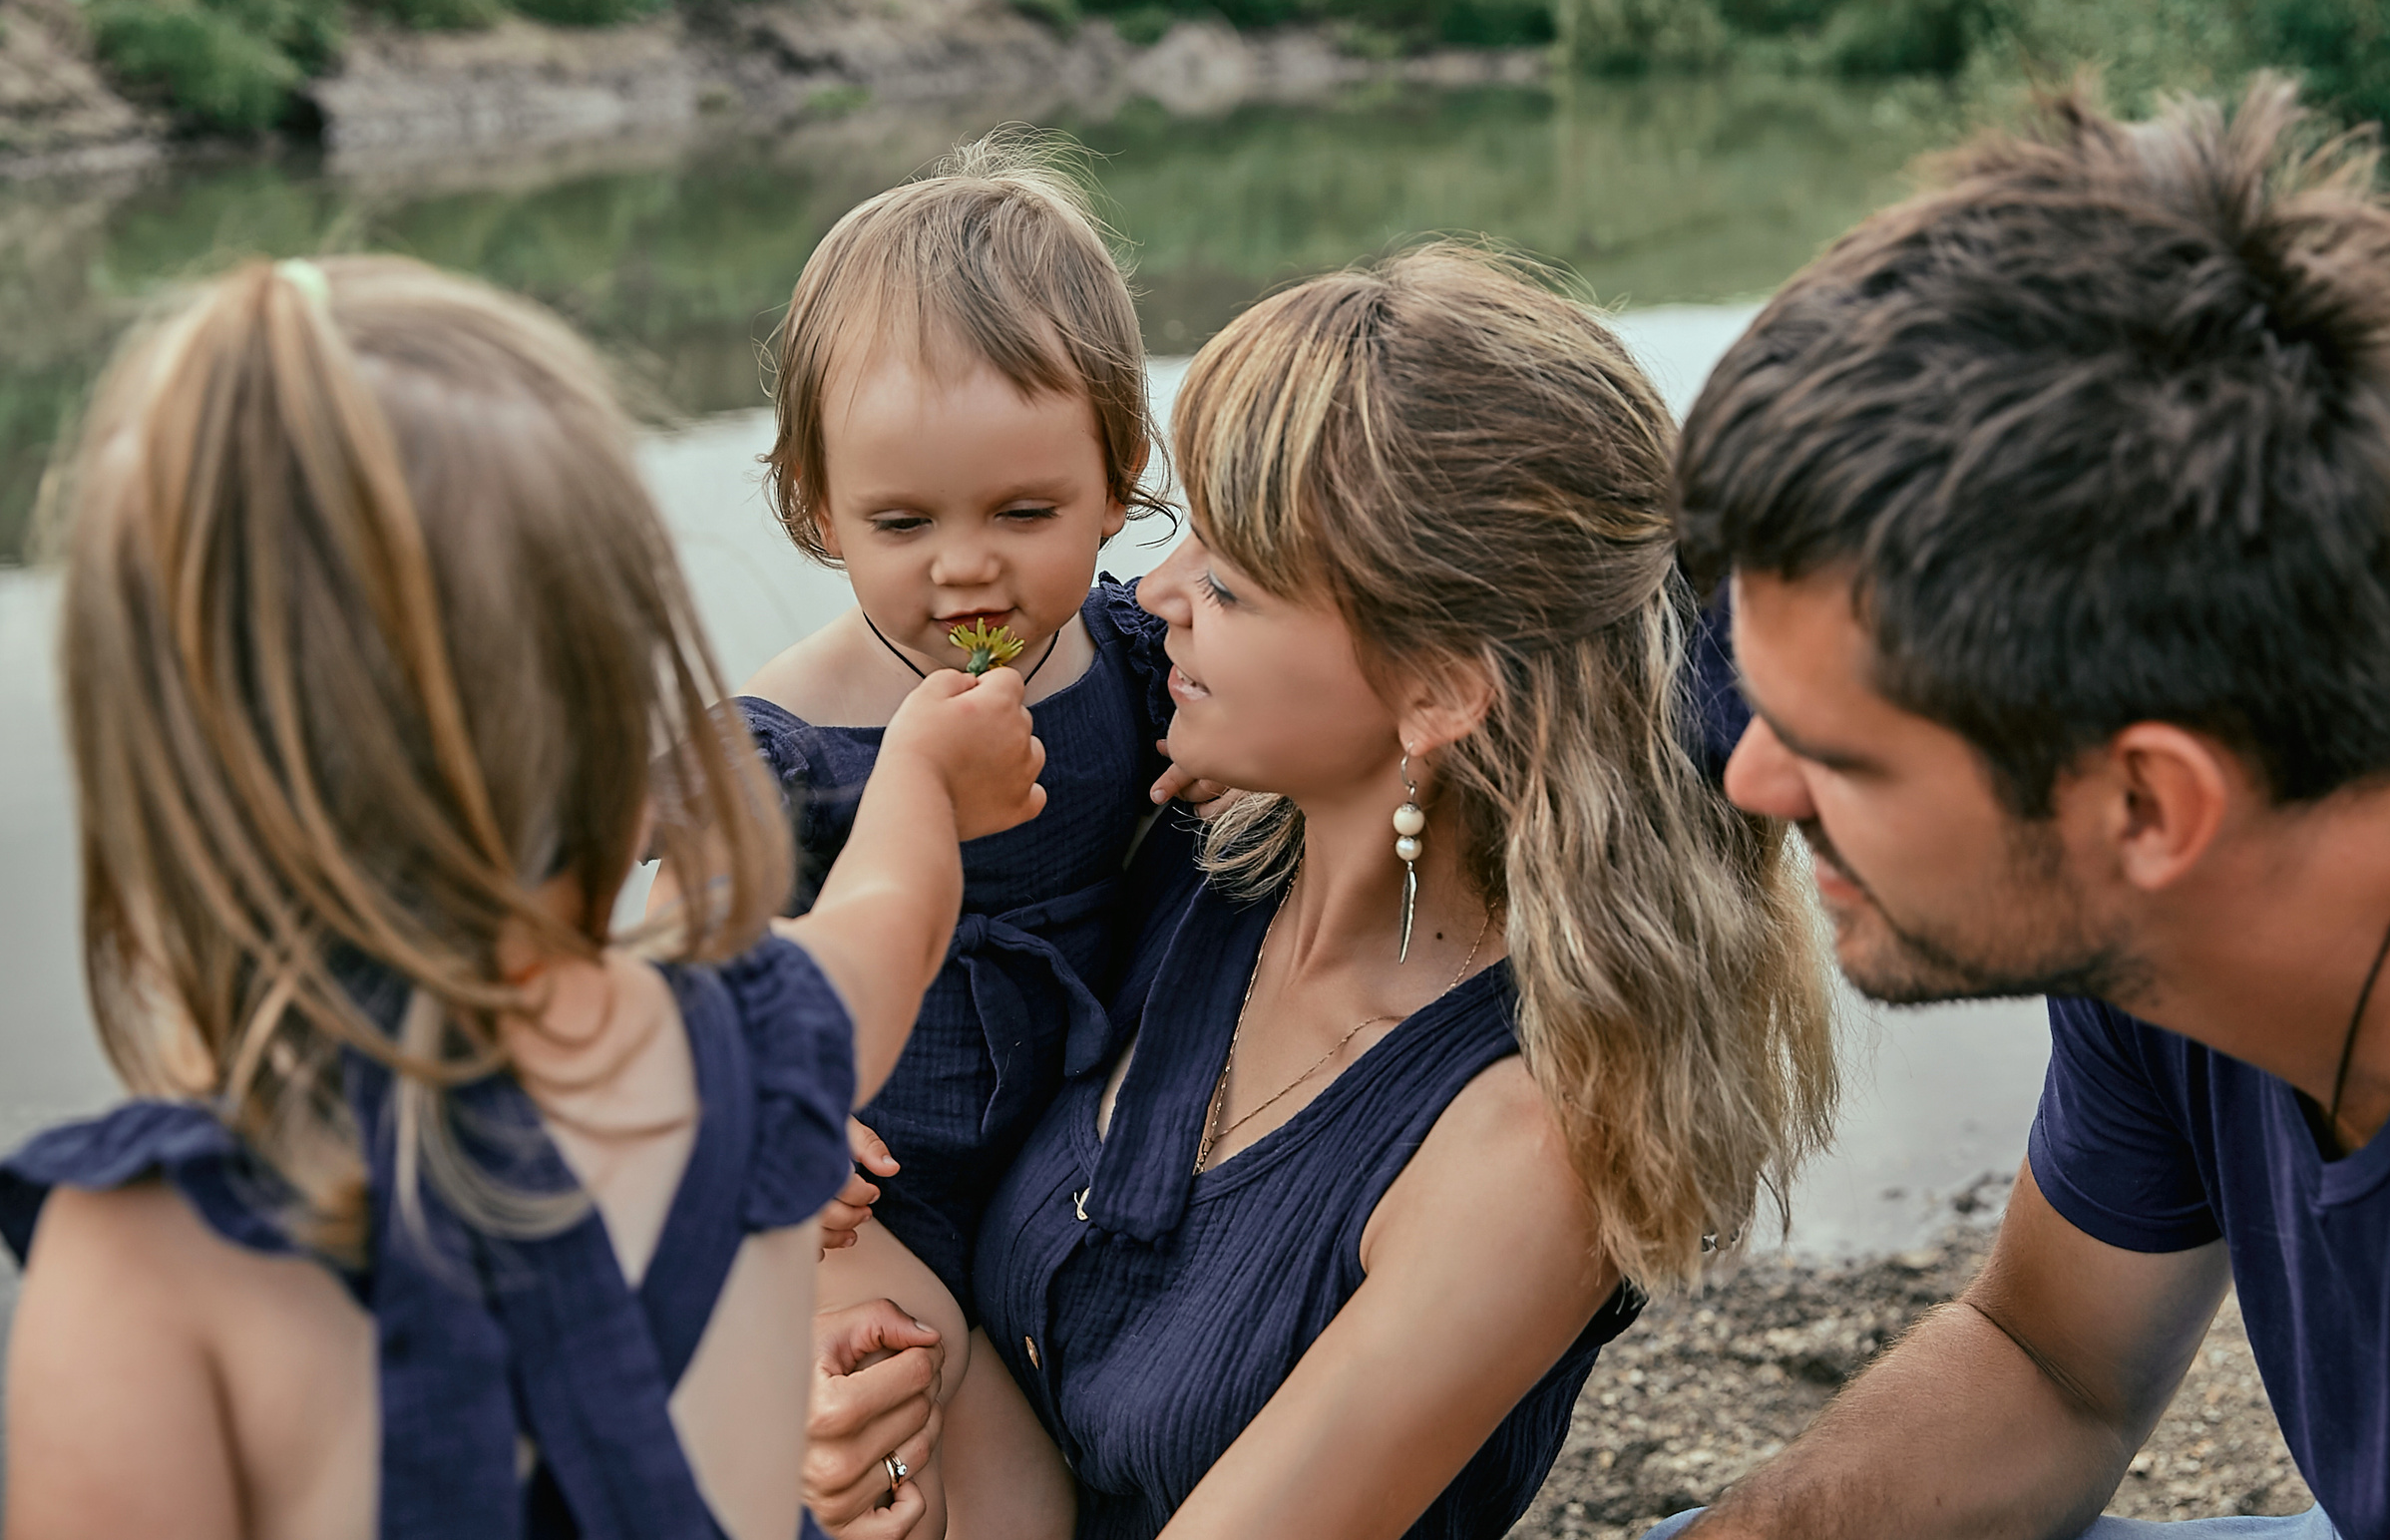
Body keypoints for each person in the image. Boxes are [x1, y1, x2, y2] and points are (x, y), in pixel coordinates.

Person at [0, 255, 1043, 1540]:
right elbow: (900, 904)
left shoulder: (144, 1261)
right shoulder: (766, 1044)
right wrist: (928, 771)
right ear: (619, 694)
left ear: (166, 779)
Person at [1654, 80, 2390, 1538]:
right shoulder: (2212, 865)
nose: (1751, 781)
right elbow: (2050, 1362)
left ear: (2147, 799)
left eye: (1841, 756)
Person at [941, 243, 1838, 1539]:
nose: (1154, 592)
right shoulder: (1192, 841)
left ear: (1436, 688)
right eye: (1186, 531)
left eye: (1233, 582)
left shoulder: (1521, 1150)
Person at [724, 132, 1182, 1538]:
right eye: (902, 519)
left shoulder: (1139, 662)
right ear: (816, 508)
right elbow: (680, 972)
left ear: (1118, 481)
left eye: (1026, 511)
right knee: (985, 1494)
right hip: (863, 1202)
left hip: (1067, 1155)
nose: (967, 566)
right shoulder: (781, 748)